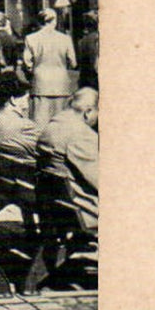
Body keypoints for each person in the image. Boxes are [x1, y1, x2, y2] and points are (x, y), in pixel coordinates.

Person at [36, 87, 99, 234]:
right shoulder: (82, 134)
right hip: (81, 210)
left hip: (53, 205)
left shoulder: (51, 126)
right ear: (88, 111)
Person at [23, 8, 78, 128]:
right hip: (61, 84)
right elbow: (73, 63)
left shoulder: (30, 38)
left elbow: (27, 64)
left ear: (39, 22)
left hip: (40, 84)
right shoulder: (65, 39)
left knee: (40, 123)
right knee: (61, 123)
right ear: (55, 21)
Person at [0, 72, 39, 165]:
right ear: (13, 100)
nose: (26, 106)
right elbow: (46, 152)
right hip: (26, 175)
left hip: (3, 173)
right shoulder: (26, 127)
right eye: (25, 99)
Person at [76, 11, 99, 90]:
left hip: (85, 82)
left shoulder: (82, 41)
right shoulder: (97, 38)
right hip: (96, 81)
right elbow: (96, 65)